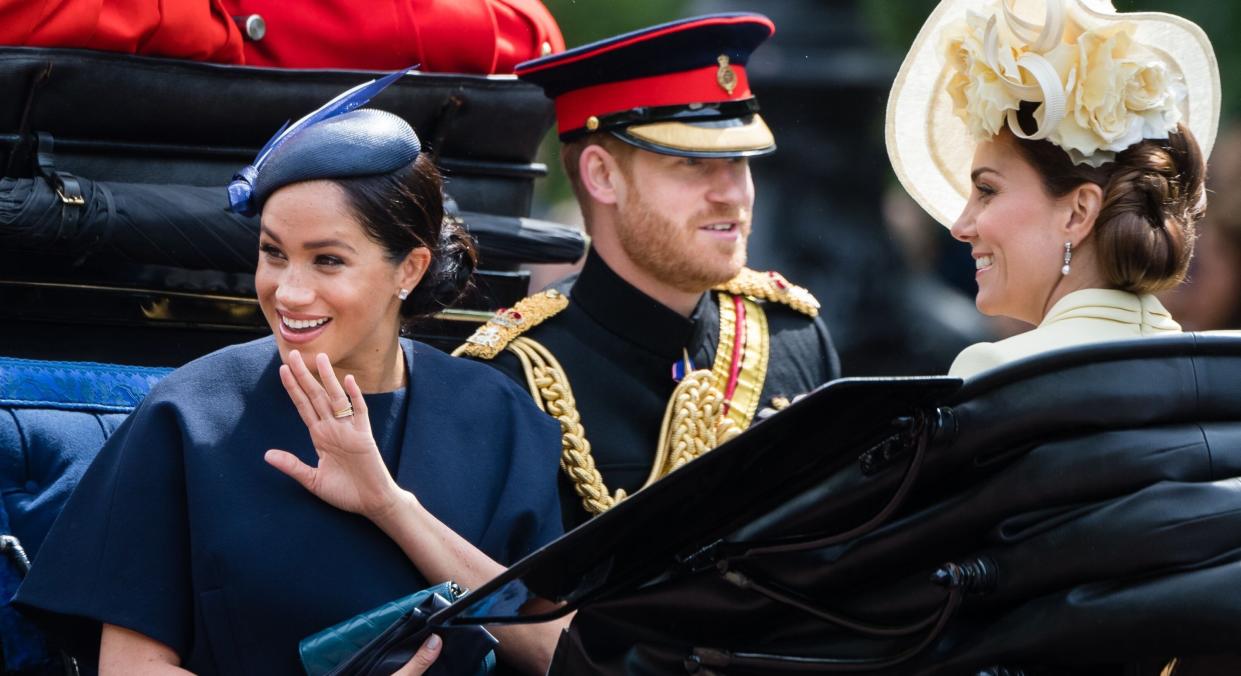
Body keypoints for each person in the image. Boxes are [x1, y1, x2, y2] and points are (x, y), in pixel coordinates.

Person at [14, 75, 566, 675]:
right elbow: (128, 666)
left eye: (328, 260)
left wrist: (388, 505)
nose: (289, 291)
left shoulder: (498, 416)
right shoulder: (190, 417)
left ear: (409, 268)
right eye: (273, 253)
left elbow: (557, 652)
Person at [453, 13, 841, 529]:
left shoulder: (794, 336)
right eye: (691, 163)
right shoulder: (514, 381)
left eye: (739, 161)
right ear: (602, 175)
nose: (731, 193)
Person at [885, 0, 1218, 379]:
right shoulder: (1215, 368)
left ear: (1078, 211)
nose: (960, 226)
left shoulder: (997, 369)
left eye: (987, 190)